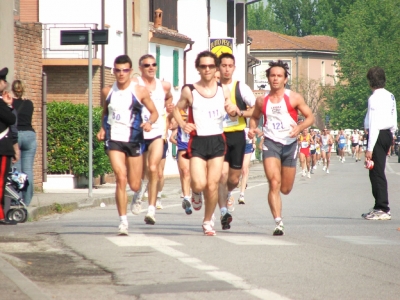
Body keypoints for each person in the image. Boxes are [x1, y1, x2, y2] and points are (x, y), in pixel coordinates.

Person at [173, 50, 237, 236]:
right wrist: (184, 124)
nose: (207, 69)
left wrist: (232, 109)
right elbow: (177, 109)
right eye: (203, 66)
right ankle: (195, 193)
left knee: (212, 184)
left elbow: (230, 109)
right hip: (198, 142)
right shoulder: (189, 90)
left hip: (217, 141)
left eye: (210, 66)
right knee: (199, 184)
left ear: (215, 68)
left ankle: (208, 221)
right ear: (198, 68)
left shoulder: (223, 90)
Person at [248, 60, 314, 236]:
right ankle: (278, 222)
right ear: (268, 78)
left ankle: (278, 216)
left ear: (285, 79)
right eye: (272, 76)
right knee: (274, 182)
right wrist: (253, 129)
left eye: (279, 76)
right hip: (270, 143)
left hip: (290, 145)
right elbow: (254, 117)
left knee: (285, 188)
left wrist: (299, 128)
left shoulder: (294, 98)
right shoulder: (262, 100)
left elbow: (310, 117)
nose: (275, 79)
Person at [96, 55, 158, 235]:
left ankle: (138, 193)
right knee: (120, 177)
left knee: (135, 185)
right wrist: (102, 128)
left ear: (130, 71)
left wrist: (149, 123)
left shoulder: (140, 91)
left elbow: (154, 112)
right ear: (113, 71)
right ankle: (123, 222)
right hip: (114, 139)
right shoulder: (107, 91)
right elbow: (105, 112)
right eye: (118, 70)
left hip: (135, 139)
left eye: (125, 70)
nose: (121, 73)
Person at [129, 54, 173, 224]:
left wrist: (169, 107)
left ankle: (151, 210)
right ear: (140, 68)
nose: (151, 67)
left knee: (153, 168)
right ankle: (138, 194)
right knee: (141, 172)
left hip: (157, 132)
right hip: (138, 132)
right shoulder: (135, 84)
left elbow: (169, 98)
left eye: (154, 64)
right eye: (147, 65)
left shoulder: (164, 86)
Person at [217, 53, 256, 230]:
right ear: (219, 67)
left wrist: (239, 112)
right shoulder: (212, 87)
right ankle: (224, 212)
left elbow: (256, 109)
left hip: (237, 135)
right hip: (217, 135)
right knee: (222, 175)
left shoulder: (241, 87)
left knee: (233, 178)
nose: (226, 69)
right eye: (223, 65)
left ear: (234, 68)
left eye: (229, 66)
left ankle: (230, 192)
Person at [362, 67, 397, 220]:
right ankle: (378, 206)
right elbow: (393, 116)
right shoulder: (390, 95)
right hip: (387, 133)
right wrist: (393, 135)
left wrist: (369, 148)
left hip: (377, 134)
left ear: (370, 81)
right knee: (376, 171)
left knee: (376, 172)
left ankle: (383, 207)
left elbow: (374, 123)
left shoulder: (374, 98)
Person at [12, 80, 36, 206]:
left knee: (17, 171)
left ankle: (17, 200)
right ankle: (27, 202)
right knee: (28, 171)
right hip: (30, 135)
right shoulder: (29, 103)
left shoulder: (10, 103)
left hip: (16, 136)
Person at [0, 67, 17, 224]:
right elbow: (11, 120)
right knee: (0, 181)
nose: (5, 83)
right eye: (4, 81)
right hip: (2, 148)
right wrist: (9, 105)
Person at [238, 120, 256, 204]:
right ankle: (239, 181)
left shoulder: (251, 116)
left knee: (245, 169)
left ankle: (242, 195)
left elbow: (253, 130)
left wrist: (254, 142)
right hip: (237, 143)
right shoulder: (238, 112)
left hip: (248, 145)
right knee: (238, 168)